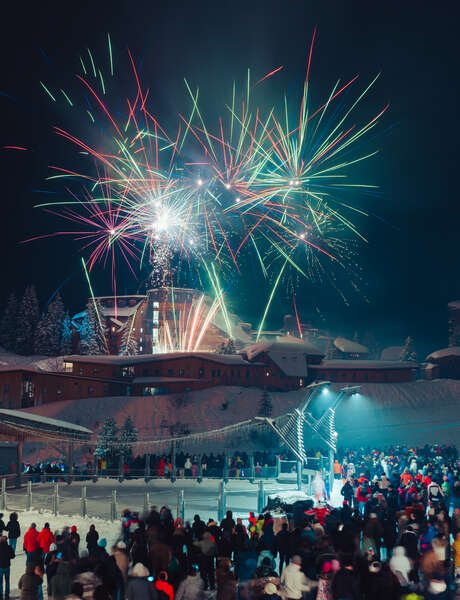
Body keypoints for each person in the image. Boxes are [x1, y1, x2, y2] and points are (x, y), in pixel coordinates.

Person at [0, 534, 14, 599]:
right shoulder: (9, 547)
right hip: (7, 566)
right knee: (7, 581)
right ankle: (7, 594)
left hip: (0, 567)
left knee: (0, 581)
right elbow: (13, 556)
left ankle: (0, 594)